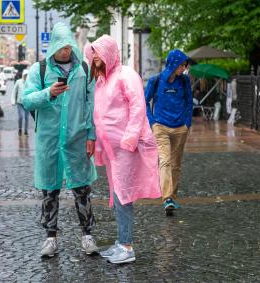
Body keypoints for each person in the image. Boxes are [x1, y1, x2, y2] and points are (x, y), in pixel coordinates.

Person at [22, 22, 98, 258]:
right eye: (61, 47)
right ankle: (50, 238)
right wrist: (48, 93)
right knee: (50, 191)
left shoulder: (84, 69)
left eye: (68, 46)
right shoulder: (40, 70)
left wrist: (91, 135)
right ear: (53, 46)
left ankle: (87, 235)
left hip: (76, 139)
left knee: (82, 189)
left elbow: (90, 105)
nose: (65, 51)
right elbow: (27, 100)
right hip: (50, 140)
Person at [85, 35, 161, 264]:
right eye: (92, 53)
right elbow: (100, 113)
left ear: (108, 51)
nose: (95, 56)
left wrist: (129, 139)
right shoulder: (101, 81)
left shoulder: (126, 76)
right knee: (117, 194)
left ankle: (127, 247)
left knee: (123, 194)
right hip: (111, 149)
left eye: (98, 52)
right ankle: (121, 242)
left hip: (125, 148)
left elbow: (138, 107)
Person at [144, 49, 193, 216]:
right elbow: (144, 102)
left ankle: (172, 196)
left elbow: (189, 103)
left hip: (180, 128)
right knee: (164, 161)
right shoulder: (155, 81)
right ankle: (167, 199)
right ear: (173, 64)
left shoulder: (185, 81)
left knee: (176, 164)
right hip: (161, 127)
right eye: (182, 65)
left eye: (185, 65)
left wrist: (187, 123)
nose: (184, 68)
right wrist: (152, 123)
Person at [11, 69, 29, 136]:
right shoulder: (18, 82)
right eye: (25, 75)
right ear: (23, 75)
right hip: (20, 103)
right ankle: (20, 129)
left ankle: (26, 130)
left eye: (27, 75)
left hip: (27, 103)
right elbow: (14, 92)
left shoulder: (30, 83)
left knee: (27, 117)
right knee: (21, 116)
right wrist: (13, 101)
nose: (26, 77)